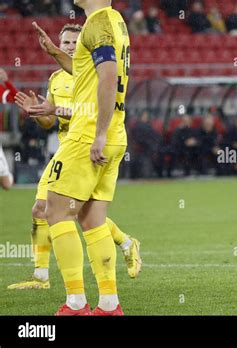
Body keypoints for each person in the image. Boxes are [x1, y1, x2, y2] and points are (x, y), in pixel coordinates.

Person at [11, 24, 141, 292]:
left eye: (74, 42)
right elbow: (50, 122)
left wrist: (55, 108)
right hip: (65, 149)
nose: (69, 46)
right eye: (66, 42)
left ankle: (123, 246)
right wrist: (38, 111)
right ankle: (42, 275)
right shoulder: (55, 79)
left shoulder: (92, 74)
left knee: (79, 214)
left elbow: (91, 111)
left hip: (88, 146)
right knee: (44, 209)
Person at [33, 0, 132, 316]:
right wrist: (55, 52)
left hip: (89, 132)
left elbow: (107, 75)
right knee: (92, 219)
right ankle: (109, 304)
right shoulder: (114, 21)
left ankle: (75, 303)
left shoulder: (98, 22)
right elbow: (88, 70)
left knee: (56, 211)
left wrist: (98, 133)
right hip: (115, 132)